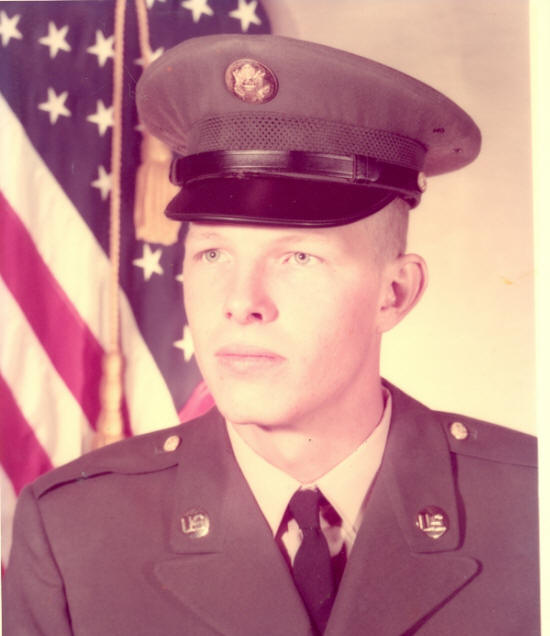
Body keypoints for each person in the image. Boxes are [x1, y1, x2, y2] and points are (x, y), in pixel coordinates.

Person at [3, 34, 538, 635]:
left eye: (298, 258)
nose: (241, 303)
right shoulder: (75, 533)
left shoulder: (528, 508)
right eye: (212, 254)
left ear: (394, 293)